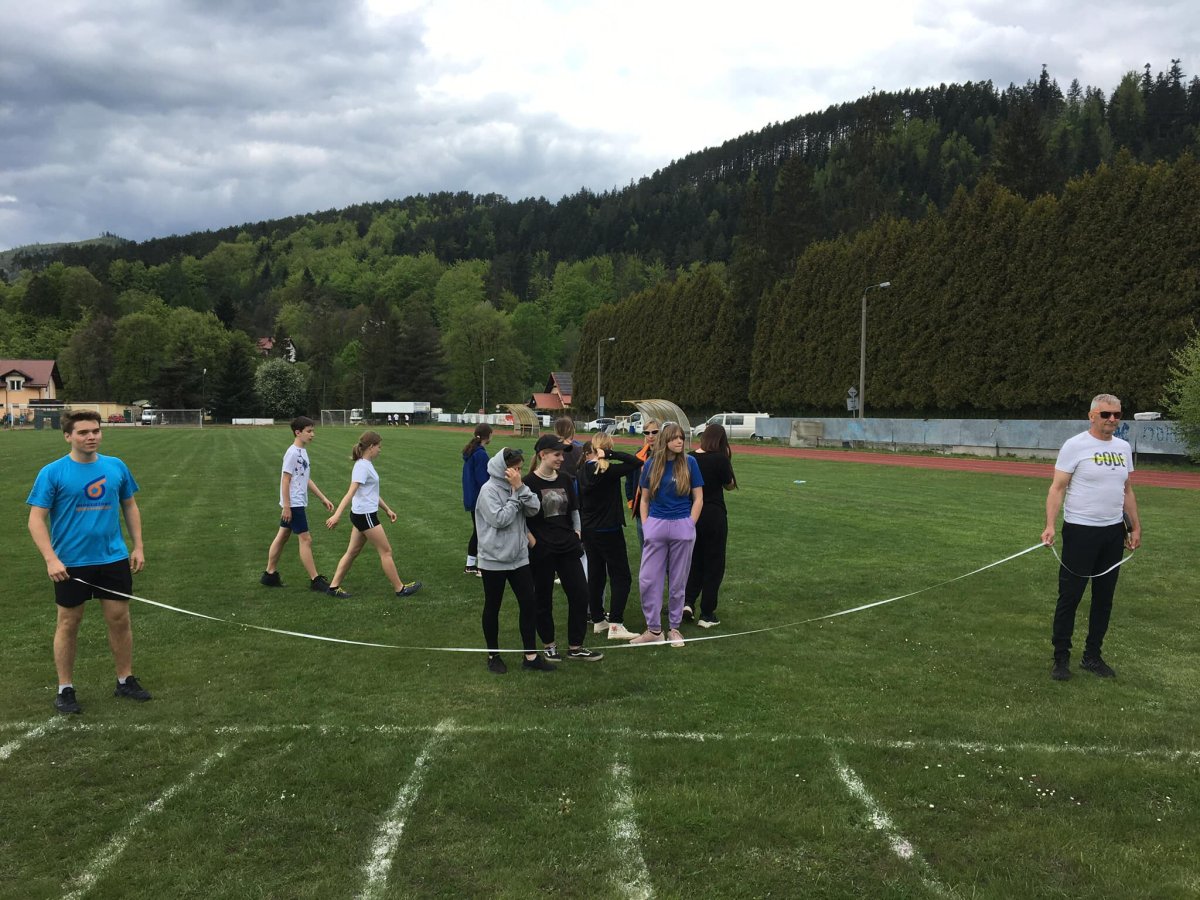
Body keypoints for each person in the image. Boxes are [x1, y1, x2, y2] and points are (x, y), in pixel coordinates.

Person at [27, 410, 150, 714]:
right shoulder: (52, 473)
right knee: (69, 622)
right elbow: (36, 519)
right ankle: (65, 689)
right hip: (71, 563)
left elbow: (130, 505)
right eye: (83, 432)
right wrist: (51, 559)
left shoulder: (116, 466)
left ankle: (125, 680)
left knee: (119, 619)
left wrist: (137, 546)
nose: (91, 436)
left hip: (113, 558)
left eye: (95, 431)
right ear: (68, 436)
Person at [1042, 393, 1141, 681]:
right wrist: (1050, 525)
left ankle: (1092, 656)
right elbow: (1057, 488)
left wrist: (1135, 527)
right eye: (1105, 414)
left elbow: (1127, 490)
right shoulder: (1075, 446)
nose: (1112, 419)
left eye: (1117, 415)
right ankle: (1061, 658)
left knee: (1104, 598)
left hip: (1113, 533)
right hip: (1080, 531)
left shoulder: (1123, 448)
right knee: (1070, 597)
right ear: (1092, 416)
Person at [524, 435, 603, 661]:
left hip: (567, 546)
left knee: (580, 594)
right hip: (542, 550)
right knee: (543, 599)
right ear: (542, 455)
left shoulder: (567, 479)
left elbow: (574, 510)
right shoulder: (528, 483)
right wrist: (534, 543)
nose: (561, 459)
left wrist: (577, 533)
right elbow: (520, 519)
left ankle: (575, 647)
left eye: (562, 455)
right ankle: (549, 645)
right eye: (557, 454)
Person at [475, 446, 554, 674]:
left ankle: (530, 656)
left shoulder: (518, 485)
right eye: (515, 469)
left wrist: (520, 488)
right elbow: (500, 519)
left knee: (529, 604)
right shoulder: (488, 491)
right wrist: (514, 497)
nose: (518, 473)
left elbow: (535, 509)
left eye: (520, 469)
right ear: (504, 469)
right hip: (493, 559)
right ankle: (493, 655)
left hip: (519, 558)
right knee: (493, 606)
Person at [325, 431, 423, 599]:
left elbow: (371, 493)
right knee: (386, 551)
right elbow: (350, 493)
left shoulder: (366, 464)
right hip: (365, 516)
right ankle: (400, 589)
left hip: (361, 515)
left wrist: (387, 509)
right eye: (379, 447)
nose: (380, 450)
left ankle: (333, 587)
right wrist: (336, 515)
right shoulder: (362, 467)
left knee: (352, 552)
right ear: (371, 447)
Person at [632, 422, 703, 647]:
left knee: (678, 581)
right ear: (665, 441)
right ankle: (654, 629)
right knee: (648, 579)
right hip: (656, 525)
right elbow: (643, 499)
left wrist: (690, 524)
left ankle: (674, 628)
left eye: (681, 437)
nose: (679, 441)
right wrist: (647, 526)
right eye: (674, 438)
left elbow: (699, 498)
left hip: (682, 525)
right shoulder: (651, 464)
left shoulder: (690, 462)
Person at [578, 431, 644, 640]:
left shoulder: (583, 470)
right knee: (621, 576)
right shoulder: (609, 471)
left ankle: (598, 619)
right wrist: (610, 454)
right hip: (608, 529)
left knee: (596, 574)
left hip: (589, 529)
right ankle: (616, 623)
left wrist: (603, 455)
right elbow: (636, 462)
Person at [261, 416, 335, 592]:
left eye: (313, 431)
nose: (312, 434)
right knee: (306, 539)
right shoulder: (293, 453)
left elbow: (305, 478)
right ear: (298, 432)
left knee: (283, 536)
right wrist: (287, 506)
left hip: (296, 502)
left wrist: (323, 498)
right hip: (294, 503)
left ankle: (269, 575)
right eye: (309, 431)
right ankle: (315, 580)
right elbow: (285, 480)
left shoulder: (302, 452)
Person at [684, 423, 737, 628]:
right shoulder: (720, 458)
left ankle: (688, 602)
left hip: (692, 514)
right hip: (714, 514)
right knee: (714, 564)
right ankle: (707, 613)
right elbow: (729, 485)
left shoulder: (690, 457)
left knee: (695, 561)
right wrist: (727, 459)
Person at [461, 424, 493, 576]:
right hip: (479, 498)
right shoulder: (480, 454)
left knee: (478, 531)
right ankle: (481, 566)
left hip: (472, 497)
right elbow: (482, 479)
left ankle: (470, 565)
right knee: (483, 532)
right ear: (489, 435)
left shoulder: (472, 451)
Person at [625, 419, 660, 547]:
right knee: (645, 550)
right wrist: (631, 501)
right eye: (647, 432)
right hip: (641, 511)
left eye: (654, 432)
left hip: (660, 511)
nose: (650, 436)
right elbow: (629, 480)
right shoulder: (639, 455)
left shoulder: (668, 455)